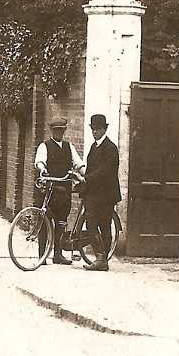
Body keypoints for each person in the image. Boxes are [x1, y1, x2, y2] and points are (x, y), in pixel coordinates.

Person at [33, 117, 84, 265]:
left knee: (61, 222)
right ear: (51, 131)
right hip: (49, 190)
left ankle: (58, 254)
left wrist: (84, 173)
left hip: (64, 190)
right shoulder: (45, 146)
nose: (59, 133)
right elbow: (40, 161)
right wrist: (42, 169)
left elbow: (78, 163)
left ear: (64, 131)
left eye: (61, 130)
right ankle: (42, 255)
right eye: (56, 130)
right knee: (44, 221)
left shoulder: (69, 147)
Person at [81, 113, 121, 271]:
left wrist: (87, 179)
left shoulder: (111, 148)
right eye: (93, 128)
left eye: (98, 129)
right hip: (93, 193)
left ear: (105, 129)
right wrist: (84, 181)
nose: (95, 131)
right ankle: (100, 258)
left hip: (106, 195)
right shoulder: (94, 146)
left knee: (104, 225)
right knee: (91, 224)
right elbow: (91, 169)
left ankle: (102, 260)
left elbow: (105, 171)